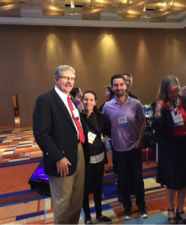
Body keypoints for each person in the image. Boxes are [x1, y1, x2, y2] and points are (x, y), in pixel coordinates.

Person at [33, 65, 89, 225]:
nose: (69, 81)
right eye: (65, 77)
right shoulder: (45, 100)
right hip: (61, 157)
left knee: (77, 199)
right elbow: (41, 134)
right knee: (63, 203)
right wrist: (58, 157)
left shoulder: (70, 99)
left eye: (71, 78)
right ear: (55, 79)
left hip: (78, 151)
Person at [152, 75, 186, 225]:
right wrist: (158, 112)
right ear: (164, 91)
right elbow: (157, 127)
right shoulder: (158, 103)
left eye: (176, 91)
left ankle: (180, 209)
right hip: (169, 147)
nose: (174, 95)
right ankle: (170, 208)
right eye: (171, 92)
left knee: (185, 178)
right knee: (171, 179)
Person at [102, 74, 147, 220]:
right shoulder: (107, 107)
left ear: (126, 85)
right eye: (116, 85)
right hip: (118, 150)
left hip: (134, 148)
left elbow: (142, 123)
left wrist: (139, 141)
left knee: (138, 179)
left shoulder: (135, 103)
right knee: (123, 180)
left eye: (121, 84)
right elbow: (102, 124)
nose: (119, 87)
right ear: (112, 87)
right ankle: (127, 208)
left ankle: (141, 206)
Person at [81, 91, 112, 225]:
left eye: (91, 100)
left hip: (99, 155)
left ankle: (99, 214)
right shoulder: (78, 117)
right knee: (85, 189)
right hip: (84, 158)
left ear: (95, 102)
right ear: (82, 101)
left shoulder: (100, 117)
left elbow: (108, 131)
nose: (88, 102)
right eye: (85, 100)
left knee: (98, 187)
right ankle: (87, 217)